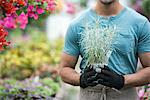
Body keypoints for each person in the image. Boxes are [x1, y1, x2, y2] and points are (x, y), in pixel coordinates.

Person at [59, 0, 150, 100]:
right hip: (89, 95)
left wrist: (123, 80)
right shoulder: (77, 24)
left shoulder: (140, 23)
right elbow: (64, 69)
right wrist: (81, 79)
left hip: (125, 95)